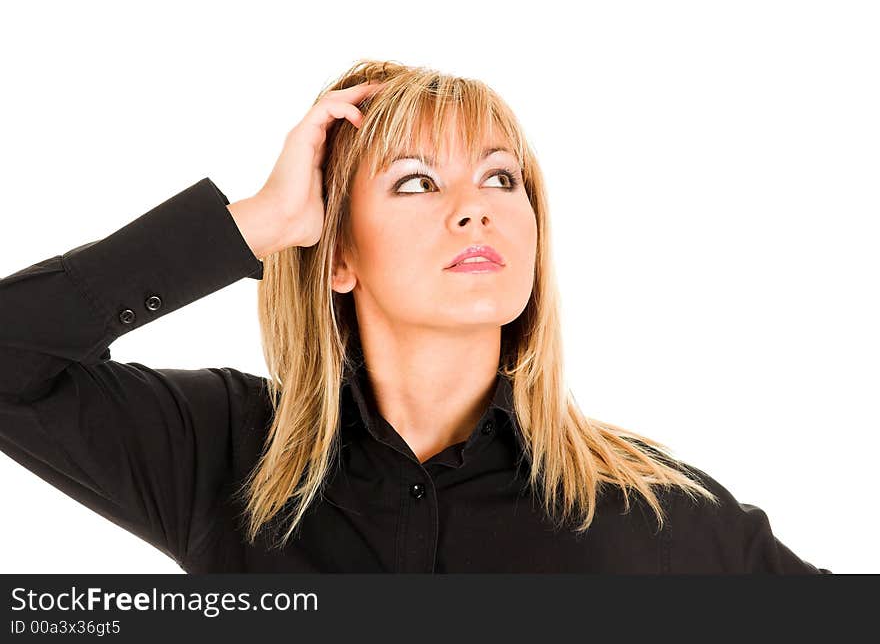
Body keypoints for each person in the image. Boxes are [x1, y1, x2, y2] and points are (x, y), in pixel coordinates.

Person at [0, 59, 830, 573]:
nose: (476, 210)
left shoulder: (651, 511)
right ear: (338, 255)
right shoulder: (222, 457)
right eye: (417, 182)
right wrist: (254, 223)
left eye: (502, 178)